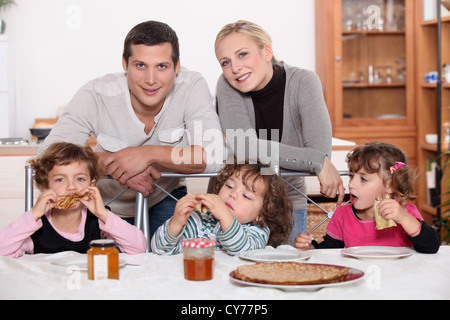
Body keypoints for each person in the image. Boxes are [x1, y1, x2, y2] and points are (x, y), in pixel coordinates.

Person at [39, 21, 225, 238]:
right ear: (125, 63)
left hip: (165, 198)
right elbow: (47, 156)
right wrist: (117, 165)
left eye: (162, 66)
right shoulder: (96, 93)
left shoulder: (191, 85)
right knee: (102, 264)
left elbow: (214, 155)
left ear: (177, 67)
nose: (151, 80)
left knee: (173, 260)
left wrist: (146, 155)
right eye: (140, 65)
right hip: (103, 204)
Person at [214, 20, 345, 240]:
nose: (235, 68)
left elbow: (320, 152)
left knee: (289, 271)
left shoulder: (304, 82)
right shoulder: (226, 84)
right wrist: (314, 160)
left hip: (287, 202)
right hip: (235, 205)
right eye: (225, 62)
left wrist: (317, 159)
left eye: (243, 54)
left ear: (267, 51)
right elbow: (244, 147)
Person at [0, 142, 148, 258]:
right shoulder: (36, 227)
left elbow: (139, 248)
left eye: (80, 179)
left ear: (91, 185)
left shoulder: (97, 220)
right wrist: (32, 215)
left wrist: (104, 215)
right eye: (59, 180)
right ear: (45, 187)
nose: (71, 186)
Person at [295, 142, 440, 254]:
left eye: (363, 179)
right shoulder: (342, 215)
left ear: (389, 186)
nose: (351, 184)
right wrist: (311, 247)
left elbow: (432, 246)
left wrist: (403, 218)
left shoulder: (404, 211)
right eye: (352, 176)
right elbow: (330, 251)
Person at [151, 163, 294, 255]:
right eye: (229, 186)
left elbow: (242, 250)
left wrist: (226, 217)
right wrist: (176, 223)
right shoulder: (198, 219)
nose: (233, 194)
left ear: (261, 214)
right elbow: (159, 249)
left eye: (246, 195)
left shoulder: (257, 231)